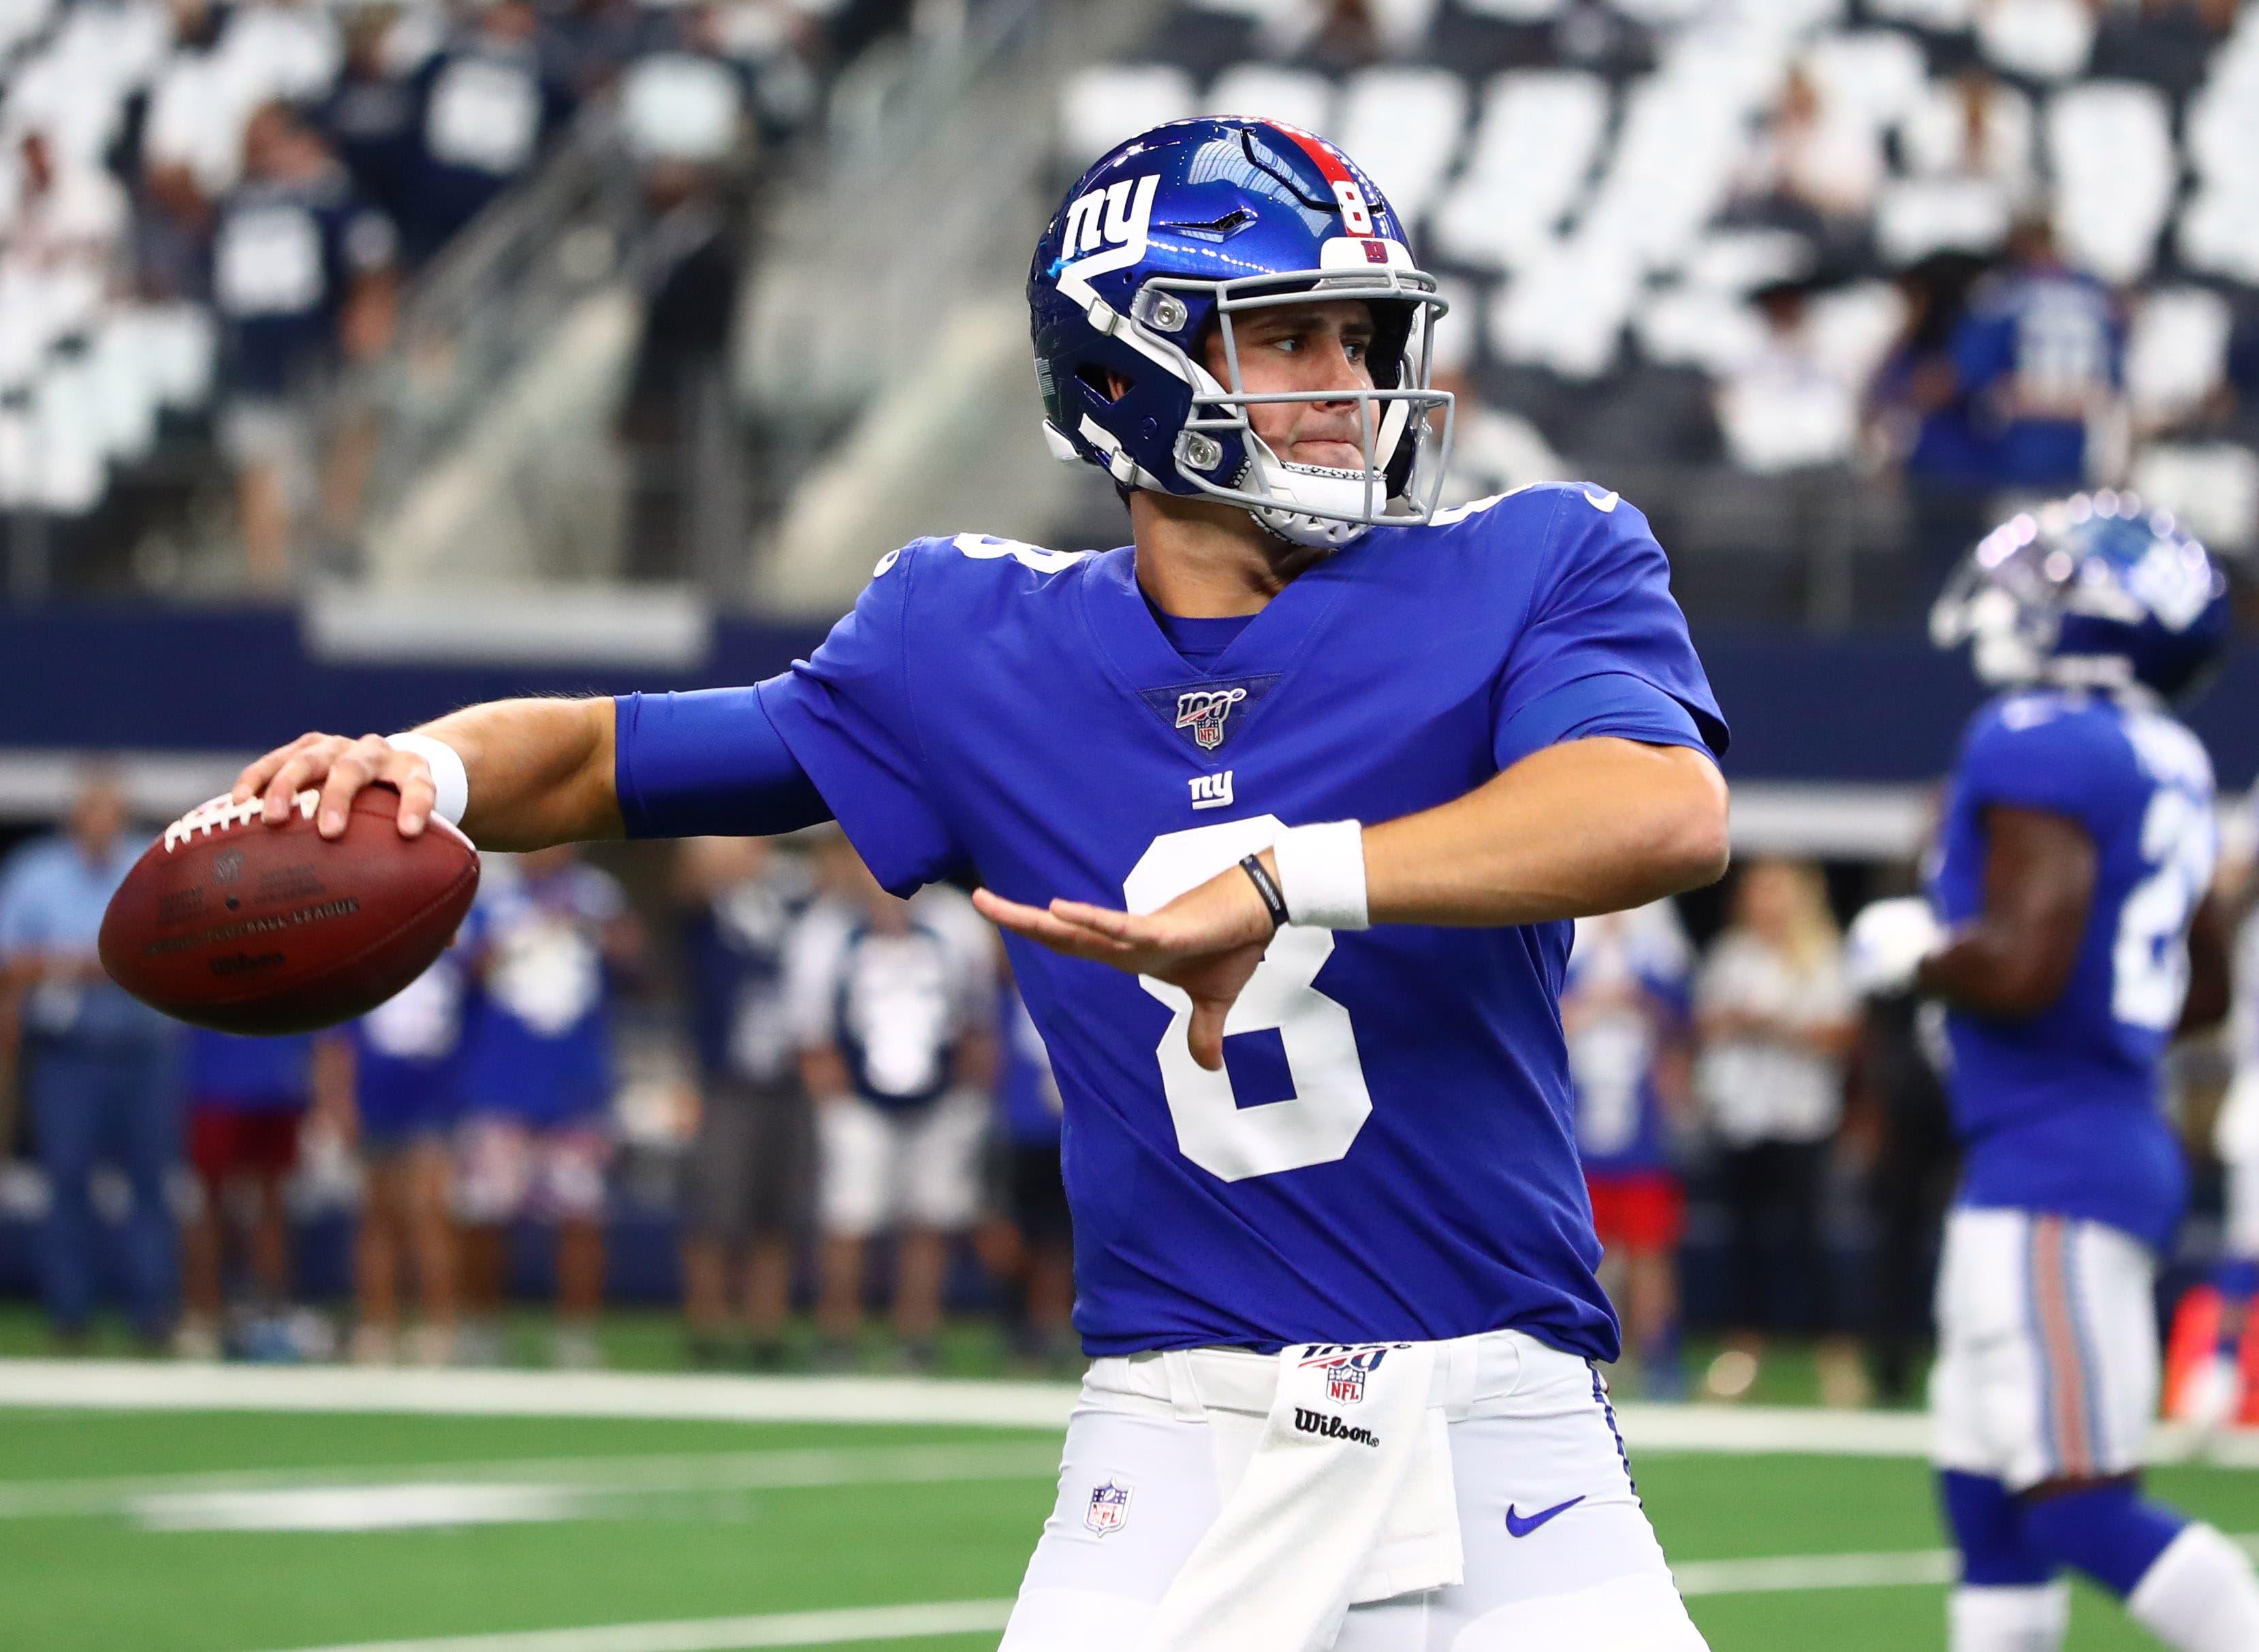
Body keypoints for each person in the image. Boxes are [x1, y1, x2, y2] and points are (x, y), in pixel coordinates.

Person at [222, 118, 1731, 1648]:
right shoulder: (965, 642)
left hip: (1499, 1422)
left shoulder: (1533, 559)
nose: (1347, 381)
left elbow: (1654, 808)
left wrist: (1285, 880)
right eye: (1286, 335)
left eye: (1359, 334)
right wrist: (428, 769)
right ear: (1130, 365)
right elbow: (614, 760)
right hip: (1175, 1427)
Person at [1849, 493, 2259, 1651]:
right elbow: (2206, 989)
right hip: (2077, 1143)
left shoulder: (2040, 736)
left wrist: (1914, 950)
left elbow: (2023, 966)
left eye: (2053, 583)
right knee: (1989, 1505)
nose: (2022, 601)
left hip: (2052, 1163)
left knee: (2078, 1500)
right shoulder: (2166, 754)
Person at [787, 833, 995, 1372]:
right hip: (857, 1099)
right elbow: (811, 1031)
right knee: (849, 1219)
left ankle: (917, 1334)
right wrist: (836, 1103)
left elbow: (978, 1020)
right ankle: (838, 1333)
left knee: (929, 1219)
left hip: (940, 1096)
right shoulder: (825, 928)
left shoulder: (956, 922)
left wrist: (967, 1099)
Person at [0, 774, 179, 1351]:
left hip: (142, 1047)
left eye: (111, 813)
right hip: (66, 1053)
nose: (101, 824)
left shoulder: (155, 865)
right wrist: (82, 965)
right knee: (67, 1178)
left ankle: (151, 1310)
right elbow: (12, 962)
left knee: (150, 1183)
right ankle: (69, 1311)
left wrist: (120, 965)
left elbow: (185, 950)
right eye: (91, 813)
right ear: (73, 818)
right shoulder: (37, 874)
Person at [453, 845, 640, 1369]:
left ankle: (575, 1334)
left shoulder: (597, 895)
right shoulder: (486, 892)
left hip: (575, 1088)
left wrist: (599, 932)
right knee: (486, 1214)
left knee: (581, 1218)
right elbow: (457, 970)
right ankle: (482, 1327)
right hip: (501, 1086)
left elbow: (633, 965)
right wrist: (508, 941)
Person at [1692, 857, 1862, 1404]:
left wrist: (1776, 1026)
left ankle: (1836, 1358)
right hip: (1743, 1116)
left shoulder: (1822, 957)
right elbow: (1703, 1026)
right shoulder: (1731, 956)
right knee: (1744, 1237)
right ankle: (1742, 1353)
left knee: (1809, 1238)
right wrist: (1737, 1023)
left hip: (1800, 1116)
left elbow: (1841, 1036)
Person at [210, 101, 398, 587]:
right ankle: (266, 590)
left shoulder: (329, 200)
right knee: (262, 473)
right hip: (255, 362)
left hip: (315, 361)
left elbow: (372, 260)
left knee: (341, 437)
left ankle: (333, 541)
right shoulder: (239, 203)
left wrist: (369, 309)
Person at [674, 833, 814, 1369]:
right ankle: (706, 1327)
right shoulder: (712, 902)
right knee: (715, 1211)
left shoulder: (798, 900)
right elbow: (691, 877)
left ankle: (765, 1330)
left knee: (776, 1213)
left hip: (787, 1077)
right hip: (725, 1078)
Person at [1565, 900, 1694, 1401]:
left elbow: (1680, 1029)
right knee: (1583, 1252)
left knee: (1647, 1249)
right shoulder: (1564, 950)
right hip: (1574, 1131)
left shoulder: (1656, 953)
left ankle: (1659, 1354)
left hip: (1641, 1135)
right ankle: (1582, 1351)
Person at [334, 945, 473, 1366]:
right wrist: (339, 1100)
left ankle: (439, 1324)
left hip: (434, 1098)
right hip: (376, 1097)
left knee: (428, 1212)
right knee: (377, 1215)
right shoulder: (360, 959)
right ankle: (378, 1324)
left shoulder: (456, 957)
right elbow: (337, 1036)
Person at [178, 1026, 341, 1359]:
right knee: (211, 1203)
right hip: (216, 1081)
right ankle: (203, 1312)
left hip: (277, 1079)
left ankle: (270, 1312)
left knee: (272, 1203)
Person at [994, 966, 1075, 1373]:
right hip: (1019, 1129)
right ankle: (1019, 1324)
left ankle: (1051, 1325)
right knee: (1015, 1236)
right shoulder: (1005, 997)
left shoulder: (1081, 988)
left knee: (1063, 1238)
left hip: (1068, 1132)